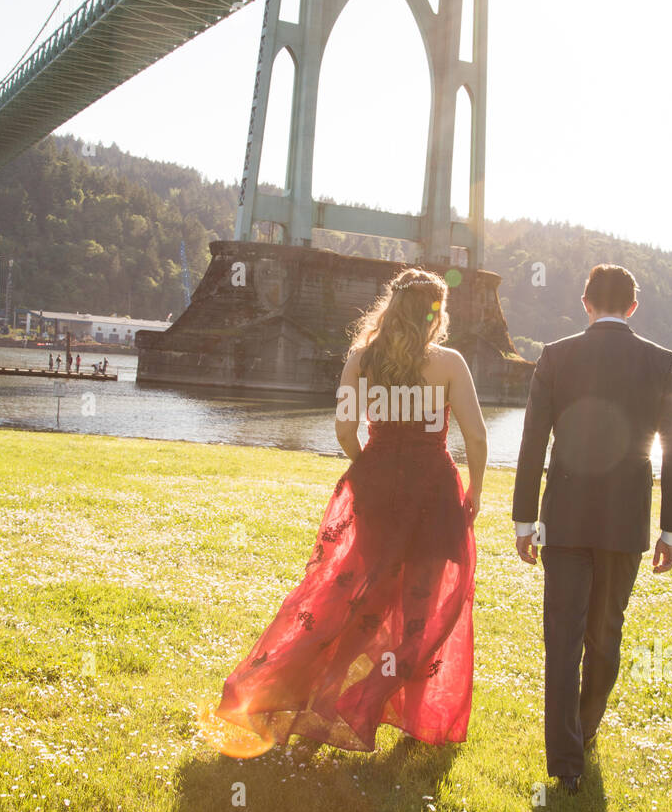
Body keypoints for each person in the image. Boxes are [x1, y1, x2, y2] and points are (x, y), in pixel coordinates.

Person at [203, 268, 488, 758]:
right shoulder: (447, 363)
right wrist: (478, 488)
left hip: (378, 486)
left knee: (360, 600)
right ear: (434, 311)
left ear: (391, 305)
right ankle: (383, 705)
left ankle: (315, 701)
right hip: (433, 492)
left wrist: (370, 466)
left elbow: (343, 428)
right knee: (427, 606)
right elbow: (477, 436)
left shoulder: (361, 360)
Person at [512, 263, 672, 794]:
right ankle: (584, 731)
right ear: (632, 308)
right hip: (625, 523)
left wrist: (525, 520)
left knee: (561, 640)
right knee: (605, 635)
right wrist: (671, 530)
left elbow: (531, 444)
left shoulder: (555, 356)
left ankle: (566, 761)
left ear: (584, 303)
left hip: (563, 519)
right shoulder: (661, 362)